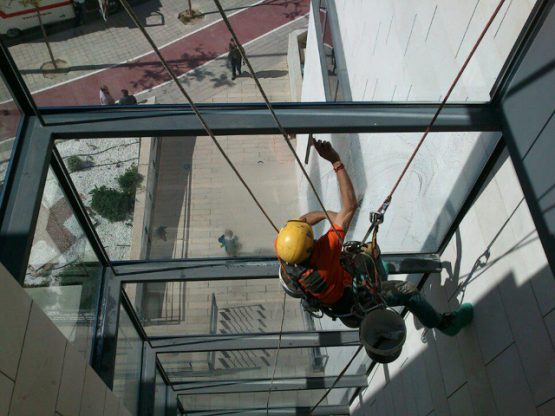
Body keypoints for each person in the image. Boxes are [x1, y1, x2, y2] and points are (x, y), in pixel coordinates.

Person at [274, 140, 473, 335]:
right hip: (357, 301)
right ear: (310, 250)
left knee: (370, 252)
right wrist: (336, 161)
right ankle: (445, 325)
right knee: (408, 291)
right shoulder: (324, 259)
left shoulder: (286, 251)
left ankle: (381, 276)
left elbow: (303, 221)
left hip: (339, 295)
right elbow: (350, 206)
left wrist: (327, 214)